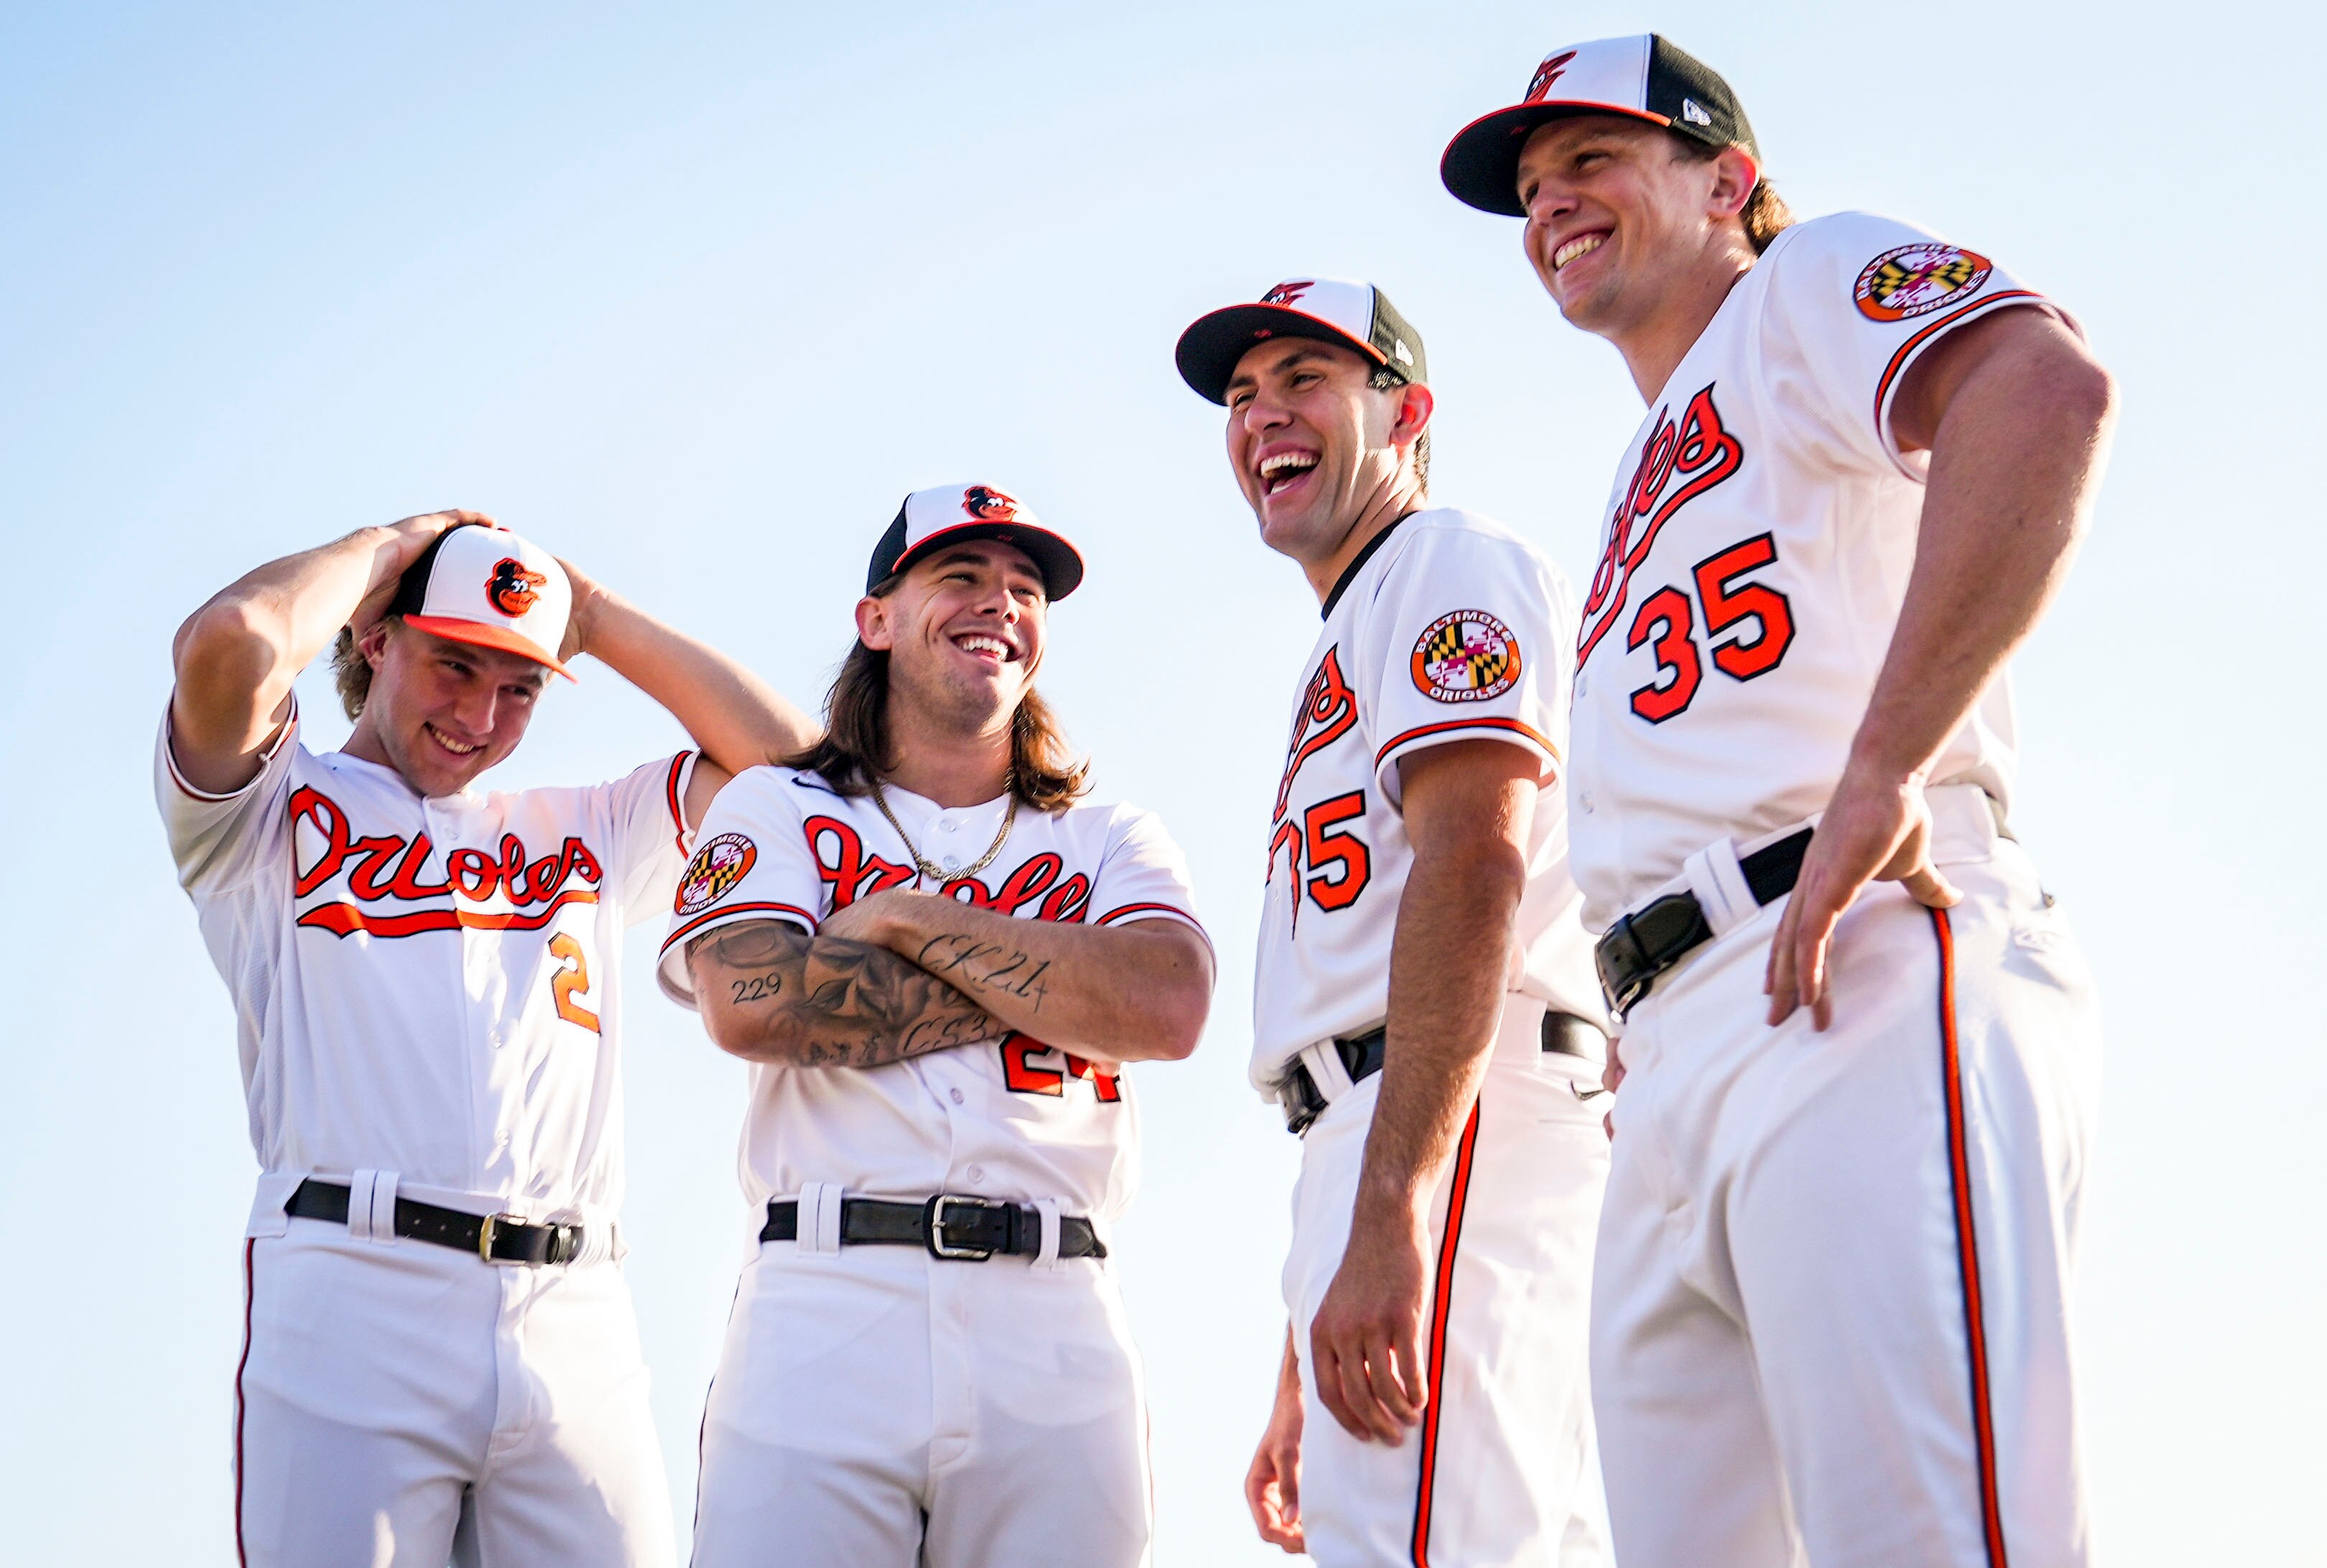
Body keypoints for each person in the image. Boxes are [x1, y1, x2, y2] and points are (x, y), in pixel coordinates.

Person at [1440, 34, 2118, 1568]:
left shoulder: (1801, 284)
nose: (1552, 203)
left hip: (1854, 952)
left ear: (1728, 181)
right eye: (1533, 188)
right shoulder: (1636, 467)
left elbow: (2041, 383)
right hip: (1674, 1049)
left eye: (1595, 161)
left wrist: (1888, 761)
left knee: (1927, 1539)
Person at [159, 511, 815, 1567]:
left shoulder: (588, 825)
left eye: (520, 687)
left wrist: (593, 619)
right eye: (453, 665)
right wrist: (392, 549)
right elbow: (229, 639)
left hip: (575, 1306)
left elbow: (792, 776)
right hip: (354, 1287)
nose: (482, 713)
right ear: (378, 638)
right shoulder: (271, 807)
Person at [657, 483, 1214, 1568]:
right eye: (959, 576)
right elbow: (753, 1002)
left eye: (1023, 588)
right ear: (877, 620)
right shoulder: (783, 807)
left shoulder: (1110, 834)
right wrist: (1058, 977)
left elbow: (1168, 1004)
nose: (998, 603)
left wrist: (910, 920)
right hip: (827, 1304)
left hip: (1054, 1317)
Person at [1174, 280, 1611, 1566]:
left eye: (1306, 380)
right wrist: (1307, 1324)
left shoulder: (1443, 560)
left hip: (1455, 1114)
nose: (1264, 416)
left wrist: (1393, 1213)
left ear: (1407, 414)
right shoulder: (1362, 610)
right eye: (1243, 397)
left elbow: (1477, 871)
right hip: (1392, 1130)